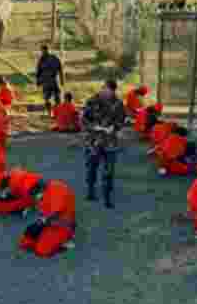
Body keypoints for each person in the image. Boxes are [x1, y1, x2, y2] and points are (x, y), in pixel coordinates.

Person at [81, 80, 128, 209]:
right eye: (105, 90)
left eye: (110, 91)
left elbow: (122, 119)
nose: (107, 93)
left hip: (110, 143)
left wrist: (115, 127)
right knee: (91, 167)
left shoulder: (118, 103)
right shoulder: (92, 101)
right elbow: (84, 120)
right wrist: (97, 127)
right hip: (93, 141)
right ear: (103, 88)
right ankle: (90, 191)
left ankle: (107, 197)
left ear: (113, 91)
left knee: (109, 171)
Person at [19, 179, 76, 257]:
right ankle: (51, 238)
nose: (35, 197)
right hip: (51, 222)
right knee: (26, 241)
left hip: (62, 225)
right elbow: (44, 210)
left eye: (35, 194)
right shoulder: (46, 191)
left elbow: (55, 212)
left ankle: (65, 241)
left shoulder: (56, 193)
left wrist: (42, 222)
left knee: (42, 250)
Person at [35, 44, 64, 116]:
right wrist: (38, 81)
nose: (42, 52)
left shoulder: (48, 59)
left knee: (53, 98)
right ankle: (53, 113)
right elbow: (38, 72)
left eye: (42, 50)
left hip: (50, 81)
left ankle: (55, 112)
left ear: (44, 50)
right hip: (50, 81)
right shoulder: (49, 59)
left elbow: (60, 69)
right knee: (52, 98)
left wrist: (38, 81)